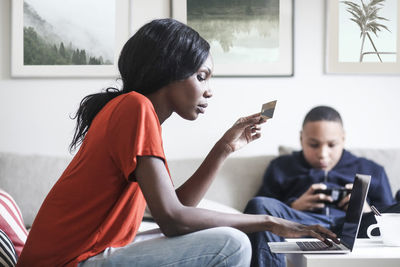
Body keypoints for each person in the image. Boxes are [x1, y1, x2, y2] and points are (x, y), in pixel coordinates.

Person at [16, 19, 338, 267]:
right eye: (202, 76)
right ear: (169, 71)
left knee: (227, 236)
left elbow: (175, 210)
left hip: (81, 255)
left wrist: (224, 147)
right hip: (69, 261)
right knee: (233, 244)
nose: (209, 90)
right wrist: (269, 222)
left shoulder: (136, 113)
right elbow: (173, 219)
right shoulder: (134, 108)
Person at [244, 105, 397, 267]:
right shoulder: (281, 167)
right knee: (259, 205)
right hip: (301, 225)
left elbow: (390, 216)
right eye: (314, 145)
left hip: (351, 227)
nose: (323, 154)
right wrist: (294, 206)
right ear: (301, 138)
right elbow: (257, 215)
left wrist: (365, 211)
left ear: (343, 138)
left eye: (331, 145)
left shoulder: (372, 170)